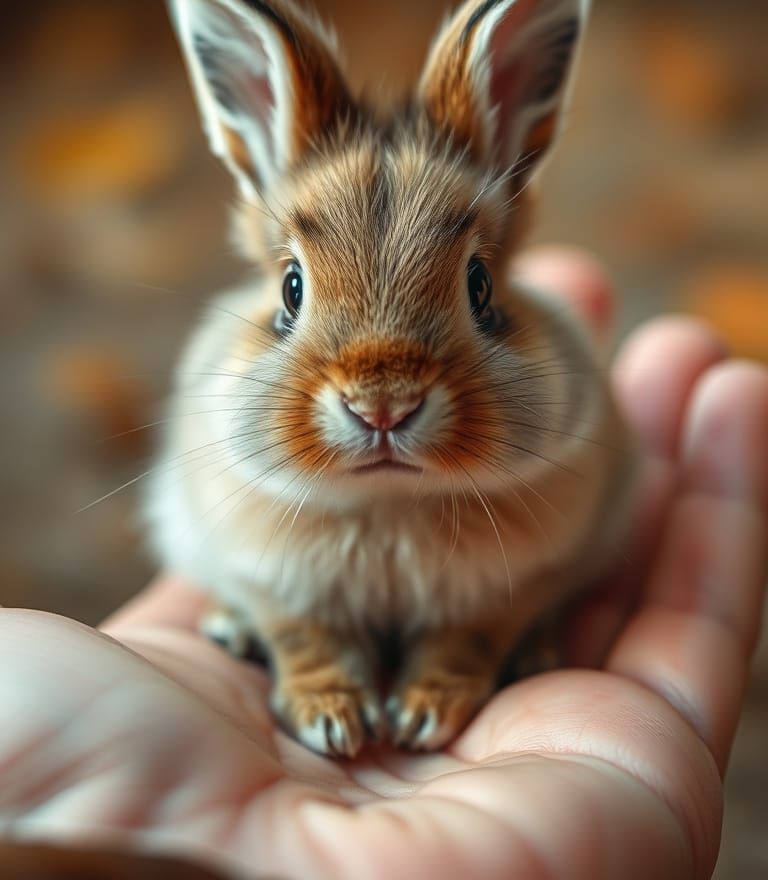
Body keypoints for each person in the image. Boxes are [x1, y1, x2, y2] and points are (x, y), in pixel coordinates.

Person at [1, 247, 765, 880]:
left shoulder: (561, 458)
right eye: (296, 290)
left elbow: (571, 549)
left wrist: (480, 638)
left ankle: (482, 643)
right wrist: (302, 646)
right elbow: (217, 544)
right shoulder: (229, 439)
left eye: (474, 287)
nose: (381, 402)